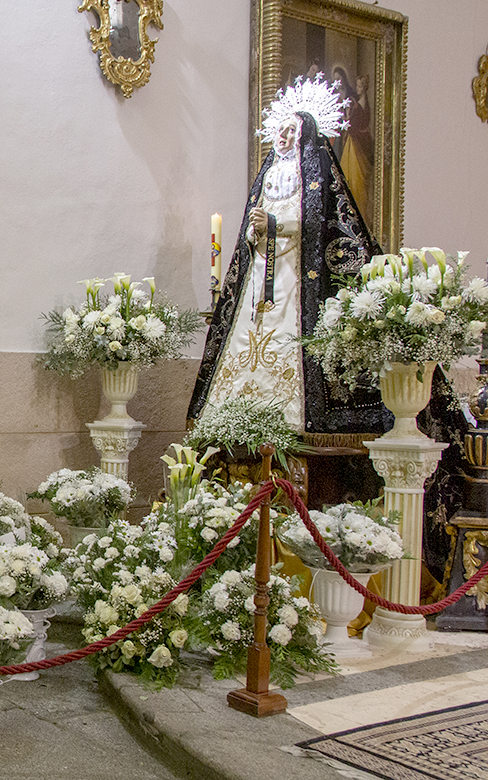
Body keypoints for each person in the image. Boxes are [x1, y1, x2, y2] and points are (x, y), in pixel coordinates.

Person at [188, 74, 466, 594]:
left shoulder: (315, 176)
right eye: (279, 130)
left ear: (307, 134)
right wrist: (257, 233)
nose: (283, 137)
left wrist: (279, 227)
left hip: (301, 288)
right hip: (262, 287)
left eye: (292, 130)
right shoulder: (270, 173)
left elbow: (319, 226)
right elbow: (252, 230)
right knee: (246, 342)